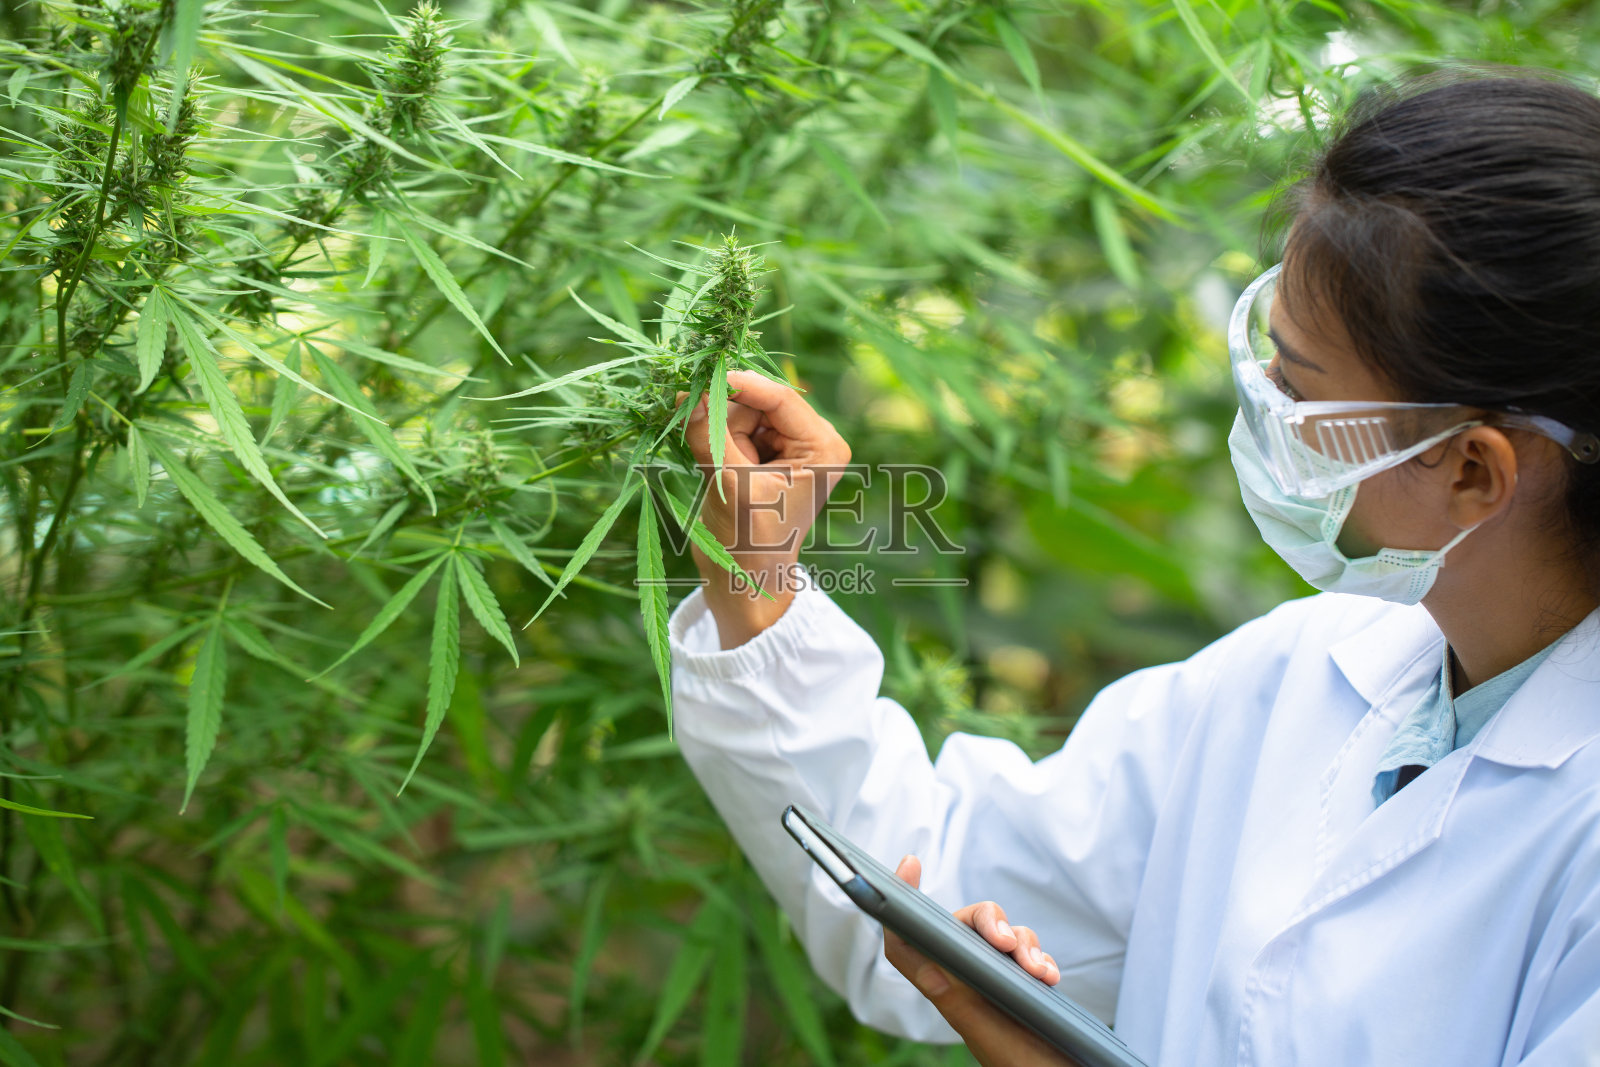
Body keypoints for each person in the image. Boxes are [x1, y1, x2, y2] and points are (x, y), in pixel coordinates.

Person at [666, 73, 1600, 1065]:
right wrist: (754, 579)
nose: (1267, 412)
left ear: (1469, 467)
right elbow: (924, 872)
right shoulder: (1304, 673)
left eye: (1295, 390)